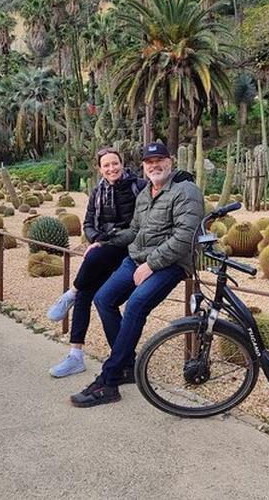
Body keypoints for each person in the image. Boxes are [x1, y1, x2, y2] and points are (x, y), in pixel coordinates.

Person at [70, 142, 205, 407]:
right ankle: (128, 365)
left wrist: (152, 264)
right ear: (143, 166)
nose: (154, 165)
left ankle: (109, 381)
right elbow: (135, 231)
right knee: (103, 299)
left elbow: (185, 236)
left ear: (170, 161)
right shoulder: (145, 194)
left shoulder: (185, 191)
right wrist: (105, 243)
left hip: (172, 264)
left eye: (159, 160)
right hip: (138, 259)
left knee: (135, 305)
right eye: (148, 162)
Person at [46, 147, 146, 378]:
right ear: (99, 169)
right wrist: (97, 239)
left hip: (128, 249)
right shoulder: (98, 190)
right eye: (106, 165)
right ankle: (75, 355)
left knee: (93, 263)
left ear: (122, 163)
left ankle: (70, 292)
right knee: (86, 295)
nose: (112, 168)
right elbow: (88, 223)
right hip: (104, 248)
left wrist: (103, 241)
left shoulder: (138, 187)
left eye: (115, 163)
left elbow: (137, 228)